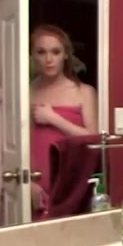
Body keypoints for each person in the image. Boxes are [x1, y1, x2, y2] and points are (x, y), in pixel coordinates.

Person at [29, 24, 98, 217]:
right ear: (33, 55)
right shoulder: (28, 91)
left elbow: (93, 139)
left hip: (72, 180)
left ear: (66, 55)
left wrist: (53, 118)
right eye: (41, 52)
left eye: (55, 52)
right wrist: (28, 182)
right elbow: (22, 142)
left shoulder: (83, 92)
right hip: (38, 181)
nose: (49, 59)